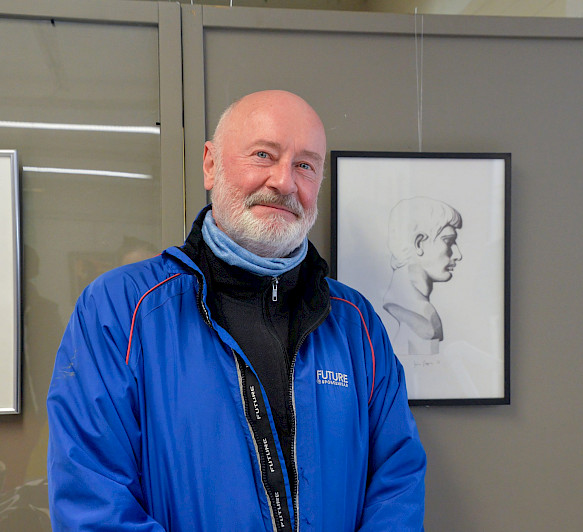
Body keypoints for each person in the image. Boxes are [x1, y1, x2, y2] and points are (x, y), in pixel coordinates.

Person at [46, 90, 426, 531]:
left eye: (305, 165)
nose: (284, 182)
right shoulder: (119, 310)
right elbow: (92, 500)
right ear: (211, 165)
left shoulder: (355, 324)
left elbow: (397, 481)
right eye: (264, 155)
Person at [383, 197, 462, 355]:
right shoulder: (418, 313)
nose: (458, 255)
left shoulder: (423, 312)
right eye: (448, 241)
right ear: (419, 243)